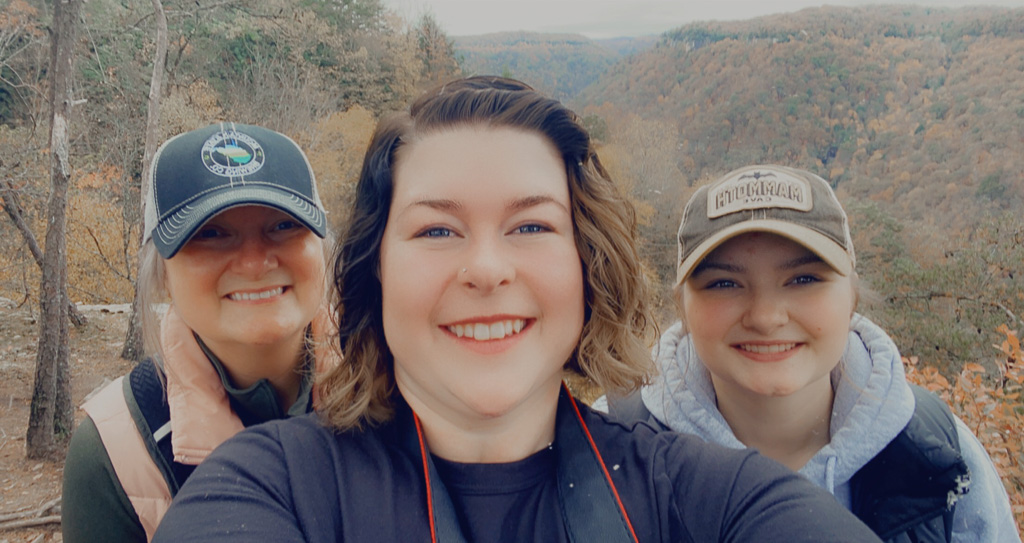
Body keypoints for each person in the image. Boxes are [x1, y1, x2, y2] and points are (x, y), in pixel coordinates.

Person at [152, 78, 882, 542]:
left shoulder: (712, 498)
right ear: (375, 271)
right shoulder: (270, 487)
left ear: (587, 265)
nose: (487, 269)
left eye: (531, 226)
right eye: (437, 229)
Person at [599, 164, 1020, 542]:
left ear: (851, 296)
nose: (765, 317)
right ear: (682, 308)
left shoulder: (937, 455)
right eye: (724, 283)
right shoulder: (606, 448)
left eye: (803, 278)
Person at [61, 122, 338, 542]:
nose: (254, 262)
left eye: (283, 225)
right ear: (163, 275)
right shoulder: (117, 450)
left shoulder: (402, 387)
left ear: (322, 248)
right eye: (211, 233)